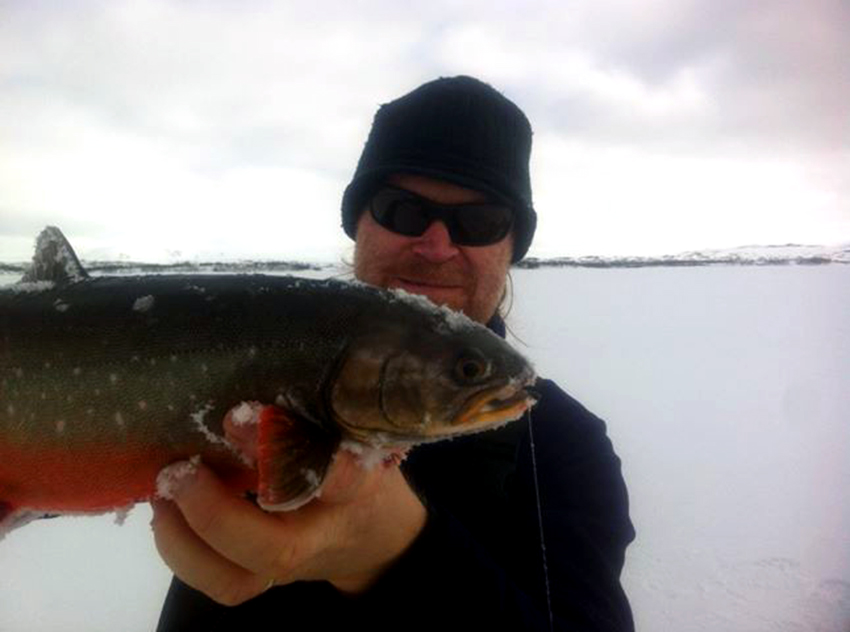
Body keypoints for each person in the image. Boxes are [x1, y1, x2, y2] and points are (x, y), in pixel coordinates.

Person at [154, 76, 635, 631]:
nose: (435, 246)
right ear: (359, 223)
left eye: (479, 222)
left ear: (510, 248)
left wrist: (391, 554)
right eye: (402, 210)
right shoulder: (248, 369)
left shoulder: (563, 444)